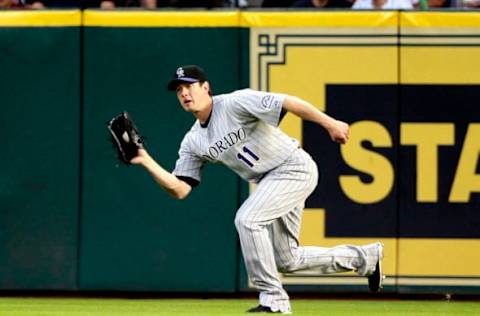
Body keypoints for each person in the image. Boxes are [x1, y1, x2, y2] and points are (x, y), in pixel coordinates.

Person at [131, 65, 385, 314]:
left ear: (205, 87)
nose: (184, 93)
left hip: (293, 167)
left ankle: (273, 300)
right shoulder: (193, 140)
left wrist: (330, 123)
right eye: (179, 90)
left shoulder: (234, 102)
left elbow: (288, 102)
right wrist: (145, 160)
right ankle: (366, 258)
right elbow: (181, 189)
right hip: (269, 182)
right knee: (288, 260)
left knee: (248, 220)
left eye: (189, 86)